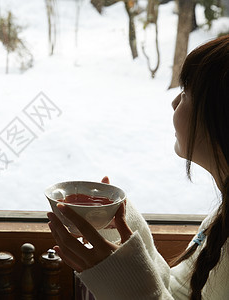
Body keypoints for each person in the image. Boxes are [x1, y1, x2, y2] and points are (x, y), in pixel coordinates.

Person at [48, 35, 229, 300]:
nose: (174, 102)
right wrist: (120, 227)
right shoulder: (222, 215)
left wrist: (120, 280)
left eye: (187, 91)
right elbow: (179, 291)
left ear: (220, 117)